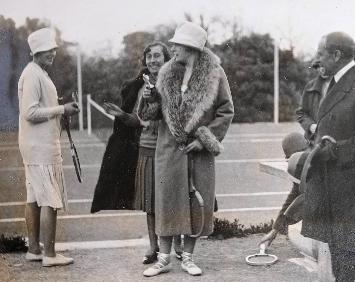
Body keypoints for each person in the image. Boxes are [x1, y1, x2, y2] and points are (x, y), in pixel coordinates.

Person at [140, 22, 234, 277]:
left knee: (197, 203)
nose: (172, 48)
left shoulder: (216, 73)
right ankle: (163, 258)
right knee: (167, 201)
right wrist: (150, 99)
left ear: (190, 47)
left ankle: (189, 258)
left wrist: (204, 140)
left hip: (198, 152)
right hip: (169, 150)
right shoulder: (167, 72)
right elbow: (152, 115)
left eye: (176, 44)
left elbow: (226, 111)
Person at [301, 32, 355, 281]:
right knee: (341, 268)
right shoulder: (337, 83)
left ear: (336, 55)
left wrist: (335, 150)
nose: (317, 60)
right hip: (336, 194)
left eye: (321, 54)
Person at [90, 42, 182, 264]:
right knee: (149, 202)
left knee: (171, 199)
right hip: (147, 149)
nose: (152, 60)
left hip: (170, 149)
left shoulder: (175, 83)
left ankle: (177, 244)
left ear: (166, 58)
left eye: (157, 56)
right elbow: (139, 121)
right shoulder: (140, 86)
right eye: (149, 56)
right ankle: (154, 247)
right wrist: (122, 115)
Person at [18, 28, 79, 266]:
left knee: (34, 197)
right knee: (49, 199)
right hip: (39, 147)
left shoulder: (37, 72)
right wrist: (62, 110)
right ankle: (50, 254)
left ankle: (34, 249)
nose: (52, 52)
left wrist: (60, 114)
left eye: (53, 48)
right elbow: (30, 112)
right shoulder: (33, 74)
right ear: (36, 52)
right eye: (47, 49)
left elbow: (39, 110)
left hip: (36, 145)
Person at [259, 132, 308, 246]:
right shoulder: (303, 163)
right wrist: (274, 230)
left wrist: (283, 223)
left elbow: (302, 199)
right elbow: (294, 195)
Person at [296, 64, 332, 143]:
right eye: (319, 66)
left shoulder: (344, 86)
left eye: (324, 65)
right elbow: (301, 113)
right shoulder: (310, 86)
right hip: (314, 141)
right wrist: (310, 126)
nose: (322, 69)